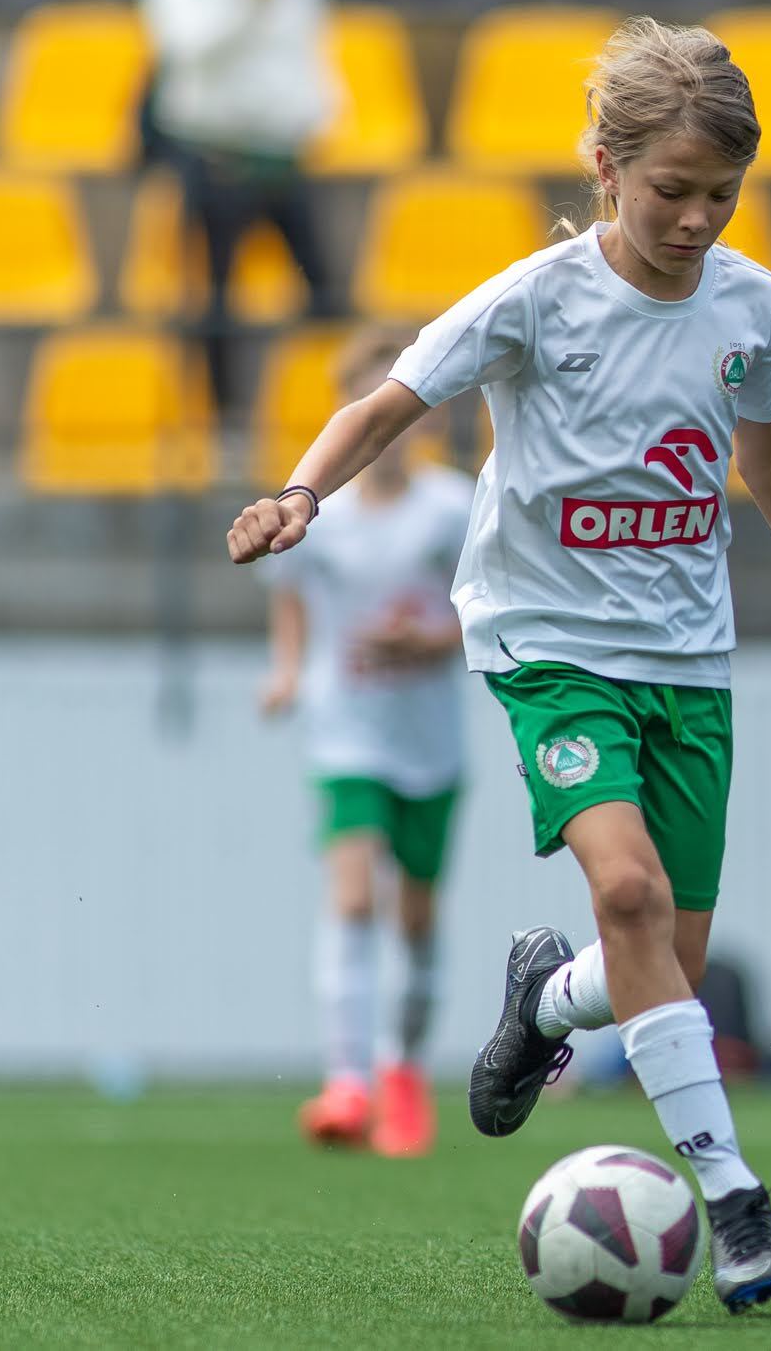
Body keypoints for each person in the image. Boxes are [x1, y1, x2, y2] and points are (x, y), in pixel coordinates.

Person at [227, 18, 771, 1314]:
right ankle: (733, 1194)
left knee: (668, 957)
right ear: (606, 169)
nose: (696, 219)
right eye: (672, 191)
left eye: (720, 194)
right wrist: (300, 493)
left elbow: (769, 459)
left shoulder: (753, 305)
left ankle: (546, 1001)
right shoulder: (537, 298)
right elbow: (388, 401)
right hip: (547, 644)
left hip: (687, 659)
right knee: (630, 892)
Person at [259, 328, 473, 1158]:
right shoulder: (319, 511)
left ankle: (403, 1072)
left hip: (429, 734)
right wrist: (288, 672)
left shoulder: (451, 507)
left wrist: (432, 643)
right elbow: (289, 594)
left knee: (416, 915)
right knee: (352, 897)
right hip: (346, 728)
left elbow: (490, 604)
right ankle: (346, 1082)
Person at [138, 0, 343, 417]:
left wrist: (322, 114)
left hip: (286, 159)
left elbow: (305, 47)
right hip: (216, 158)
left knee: (325, 296)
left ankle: (332, 412)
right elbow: (184, 45)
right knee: (215, 303)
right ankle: (224, 421)